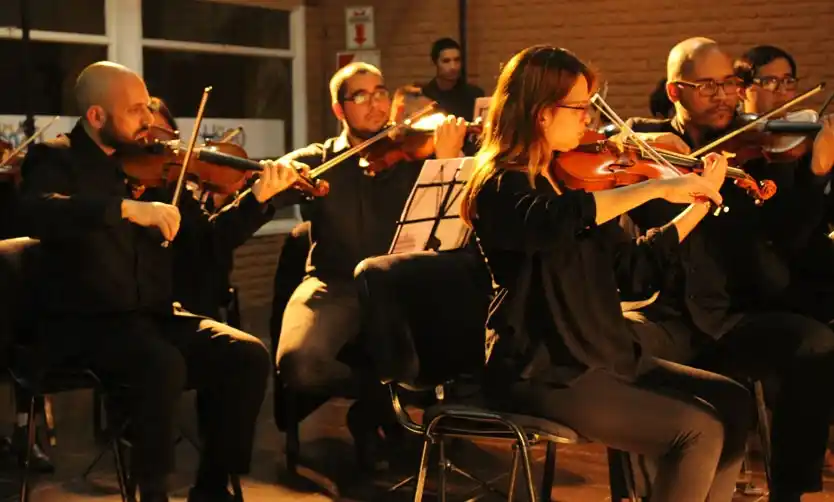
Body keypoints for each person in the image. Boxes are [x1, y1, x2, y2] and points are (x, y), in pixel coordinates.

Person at [459, 44, 752, 502]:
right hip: (544, 366)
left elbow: (632, 271)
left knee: (734, 405)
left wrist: (696, 205)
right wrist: (655, 187)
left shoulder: (574, 177)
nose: (588, 122)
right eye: (578, 109)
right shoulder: (501, 185)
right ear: (540, 113)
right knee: (695, 432)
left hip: (601, 348)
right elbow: (555, 221)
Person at [16, 61, 307, 502]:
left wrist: (257, 200)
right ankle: (152, 494)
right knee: (160, 363)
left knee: (246, 356)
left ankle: (211, 489)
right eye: (136, 111)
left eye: (148, 109)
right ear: (96, 117)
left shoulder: (156, 168)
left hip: (152, 316)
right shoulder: (55, 158)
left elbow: (208, 240)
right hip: (83, 324)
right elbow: (37, 210)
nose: (150, 122)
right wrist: (123, 209)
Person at [621, 37, 834, 502]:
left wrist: (813, 174)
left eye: (730, 84)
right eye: (707, 86)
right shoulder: (645, 138)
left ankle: (789, 491)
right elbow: (610, 144)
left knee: (815, 343)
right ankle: (641, 494)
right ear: (676, 93)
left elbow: (787, 237)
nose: (724, 97)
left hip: (731, 317)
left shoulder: (758, 147)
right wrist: (636, 146)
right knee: (616, 348)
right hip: (668, 314)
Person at [262, 61, 467, 470]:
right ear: (340, 111)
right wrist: (266, 181)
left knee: (441, 356)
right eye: (361, 96)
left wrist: (450, 160)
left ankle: (380, 417)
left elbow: (459, 222)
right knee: (298, 365)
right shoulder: (319, 160)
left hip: (396, 291)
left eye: (380, 92)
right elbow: (270, 189)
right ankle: (380, 405)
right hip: (332, 286)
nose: (376, 104)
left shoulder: (414, 155)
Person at [421, 38, 485, 121]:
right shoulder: (425, 96)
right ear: (435, 63)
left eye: (457, 60)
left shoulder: (475, 95)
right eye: (446, 61)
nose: (453, 67)